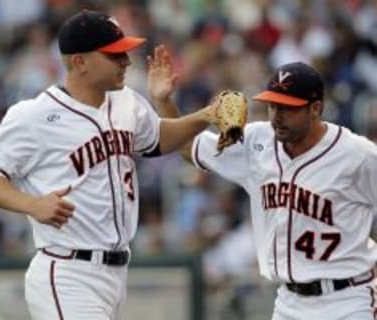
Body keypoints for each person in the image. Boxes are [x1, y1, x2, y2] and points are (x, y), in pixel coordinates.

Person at [0, 10, 217, 320]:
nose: (126, 61)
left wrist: (207, 115)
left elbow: (161, 140)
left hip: (116, 273)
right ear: (80, 62)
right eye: (114, 55)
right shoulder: (35, 116)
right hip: (67, 272)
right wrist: (31, 204)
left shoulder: (126, 101)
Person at [156, 60, 377, 319]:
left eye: (288, 108)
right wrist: (163, 101)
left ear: (315, 108)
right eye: (272, 105)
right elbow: (188, 147)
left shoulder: (357, 155)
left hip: (347, 300)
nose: (277, 116)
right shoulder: (256, 141)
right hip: (288, 302)